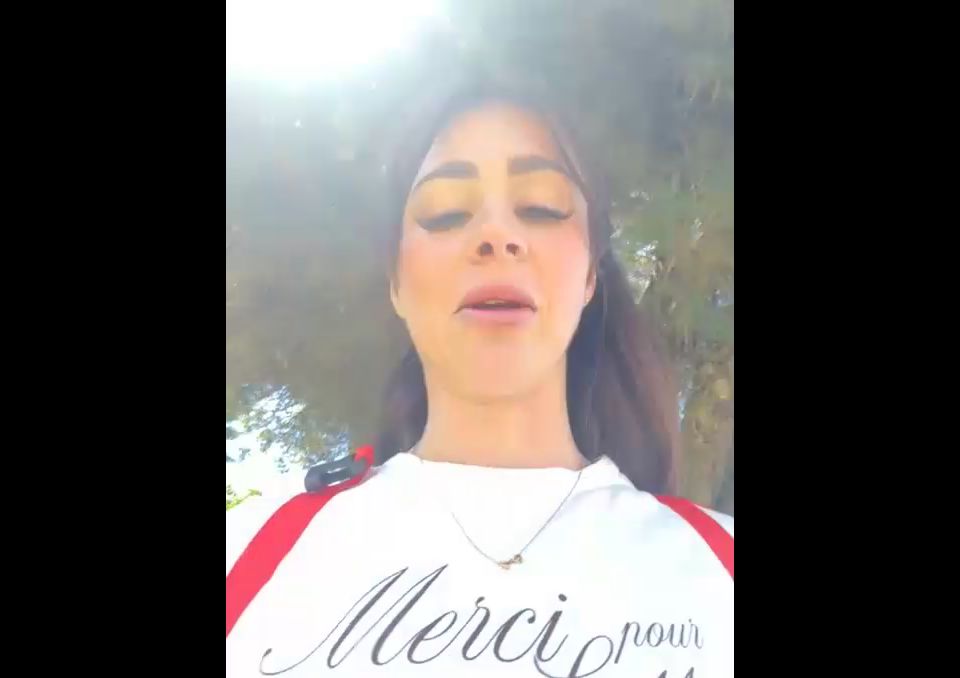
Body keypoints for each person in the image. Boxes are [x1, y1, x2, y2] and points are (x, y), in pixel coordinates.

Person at [226, 82, 733, 678]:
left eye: (540, 207)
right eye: (445, 212)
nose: (495, 234)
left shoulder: (718, 569)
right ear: (396, 282)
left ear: (590, 278)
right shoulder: (248, 555)